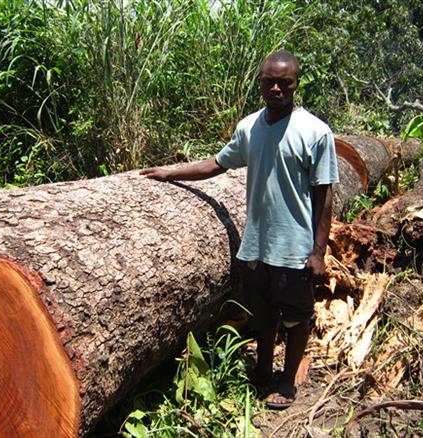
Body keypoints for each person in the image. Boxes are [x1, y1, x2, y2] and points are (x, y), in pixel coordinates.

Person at [140, 50, 339, 409]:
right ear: (260, 82)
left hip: (295, 246)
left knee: (295, 318)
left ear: (297, 84)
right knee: (263, 314)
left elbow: (324, 196)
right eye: (269, 82)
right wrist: (170, 173)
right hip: (257, 245)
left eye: (284, 82)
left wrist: (318, 251)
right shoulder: (249, 127)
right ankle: (263, 370)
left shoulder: (316, 132)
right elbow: (217, 164)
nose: (276, 88)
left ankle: (289, 383)